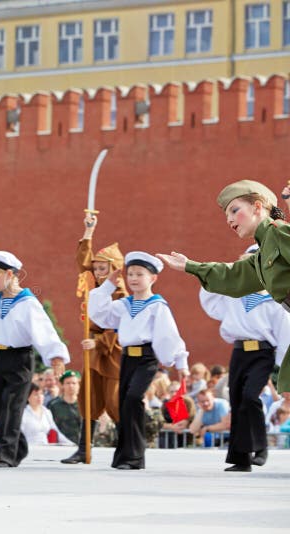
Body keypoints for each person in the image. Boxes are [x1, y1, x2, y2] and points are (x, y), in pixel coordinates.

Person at [157, 180, 290, 394]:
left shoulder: (277, 232)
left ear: (257, 207)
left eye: (234, 210)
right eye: (226, 215)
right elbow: (231, 276)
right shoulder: (261, 254)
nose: (229, 220)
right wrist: (190, 266)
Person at [0, 251, 69, 468]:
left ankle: (5, 456)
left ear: (9, 274)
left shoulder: (27, 303)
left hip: (20, 358)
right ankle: (19, 447)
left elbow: (44, 330)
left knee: (12, 406)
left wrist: (56, 357)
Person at [88, 252, 189, 470]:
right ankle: (125, 457)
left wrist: (181, 364)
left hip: (146, 358)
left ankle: (134, 455)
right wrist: (107, 286)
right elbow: (98, 313)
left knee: (134, 398)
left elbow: (170, 336)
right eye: (130, 273)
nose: (133, 278)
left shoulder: (158, 306)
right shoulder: (124, 305)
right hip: (127, 357)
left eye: (140, 274)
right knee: (124, 403)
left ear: (153, 278)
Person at [198, 244, 290, 471]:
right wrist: (225, 271)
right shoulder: (234, 294)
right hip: (239, 351)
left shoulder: (274, 298)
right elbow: (210, 300)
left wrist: (283, 372)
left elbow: (284, 333)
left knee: (251, 397)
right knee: (238, 402)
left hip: (263, 352)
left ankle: (261, 446)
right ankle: (241, 459)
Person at [63, 212, 125, 464]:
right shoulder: (93, 287)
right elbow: (83, 261)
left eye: (103, 268)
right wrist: (88, 231)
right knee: (88, 396)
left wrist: (99, 342)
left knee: (113, 399)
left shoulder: (120, 293)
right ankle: (83, 449)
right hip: (93, 348)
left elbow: (121, 326)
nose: (97, 272)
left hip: (111, 349)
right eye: (97, 268)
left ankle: (125, 449)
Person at [48, 370, 82, 444]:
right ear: (62, 385)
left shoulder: (85, 406)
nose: (71, 386)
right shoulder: (53, 405)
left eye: (74, 383)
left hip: (80, 445)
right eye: (68, 383)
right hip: (60, 445)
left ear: (79, 385)